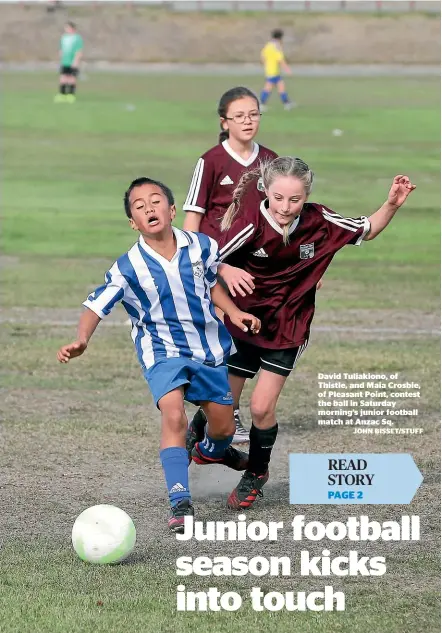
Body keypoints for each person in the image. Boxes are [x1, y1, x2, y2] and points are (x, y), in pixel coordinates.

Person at [56, 177, 261, 533]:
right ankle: (180, 503)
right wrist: (81, 339)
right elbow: (95, 306)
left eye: (155, 201)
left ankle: (211, 451)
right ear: (133, 223)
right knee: (174, 415)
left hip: (209, 350)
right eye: (139, 206)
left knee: (224, 428)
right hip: (162, 352)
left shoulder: (202, 246)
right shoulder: (128, 267)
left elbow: (211, 284)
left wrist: (233, 312)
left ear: (171, 209)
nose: (149, 208)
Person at [213, 157, 415, 510]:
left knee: (261, 409)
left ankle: (256, 473)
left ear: (306, 196)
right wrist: (227, 270)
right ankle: (204, 441)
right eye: (278, 198)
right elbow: (206, 262)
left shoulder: (320, 221)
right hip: (244, 323)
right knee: (219, 407)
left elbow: (368, 228)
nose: (285, 208)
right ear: (265, 190)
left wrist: (392, 204)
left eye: (294, 200)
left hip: (289, 328)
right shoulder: (249, 225)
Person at [183, 86, 278, 443]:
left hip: (254, 267)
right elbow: (193, 217)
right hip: (215, 265)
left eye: (254, 114)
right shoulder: (210, 160)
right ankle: (226, 413)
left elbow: (281, 213)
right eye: (240, 116)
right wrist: (199, 263)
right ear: (225, 122)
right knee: (227, 337)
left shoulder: (270, 159)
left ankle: (209, 418)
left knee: (247, 335)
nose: (248, 121)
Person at [260, 29, 294, 111]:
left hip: (269, 69)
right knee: (270, 87)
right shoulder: (276, 47)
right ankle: (261, 104)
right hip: (274, 70)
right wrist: (287, 69)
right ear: (280, 38)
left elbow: (262, 57)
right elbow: (280, 59)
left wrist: (266, 65)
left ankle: (287, 103)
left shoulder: (268, 46)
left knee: (280, 86)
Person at [54, 22, 83, 104]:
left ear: (72, 29)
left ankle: (70, 95)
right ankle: (62, 94)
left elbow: (79, 51)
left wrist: (76, 61)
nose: (66, 29)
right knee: (63, 78)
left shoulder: (77, 38)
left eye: (67, 28)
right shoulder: (63, 38)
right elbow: (61, 50)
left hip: (72, 61)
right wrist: (60, 59)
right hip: (64, 61)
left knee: (71, 78)